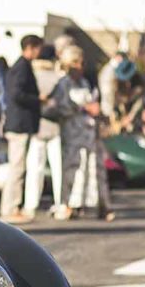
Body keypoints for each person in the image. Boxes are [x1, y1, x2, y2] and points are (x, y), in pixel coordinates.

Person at [52, 46, 114, 221]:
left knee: (93, 169)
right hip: (73, 134)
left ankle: (95, 205)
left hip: (89, 133)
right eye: (76, 63)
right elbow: (61, 106)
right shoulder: (63, 84)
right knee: (73, 170)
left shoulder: (85, 83)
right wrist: (84, 107)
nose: (80, 66)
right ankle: (69, 203)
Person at [0, 34, 43, 222]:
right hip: (19, 124)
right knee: (17, 168)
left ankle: (11, 206)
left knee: (17, 167)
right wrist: (38, 100)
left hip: (18, 123)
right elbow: (16, 94)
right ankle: (11, 207)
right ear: (32, 47)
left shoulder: (21, 66)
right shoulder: (22, 67)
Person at [24, 44, 66, 218]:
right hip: (56, 126)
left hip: (37, 126)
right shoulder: (59, 78)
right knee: (58, 169)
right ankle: (60, 203)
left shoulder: (33, 77)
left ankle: (30, 204)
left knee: (35, 168)